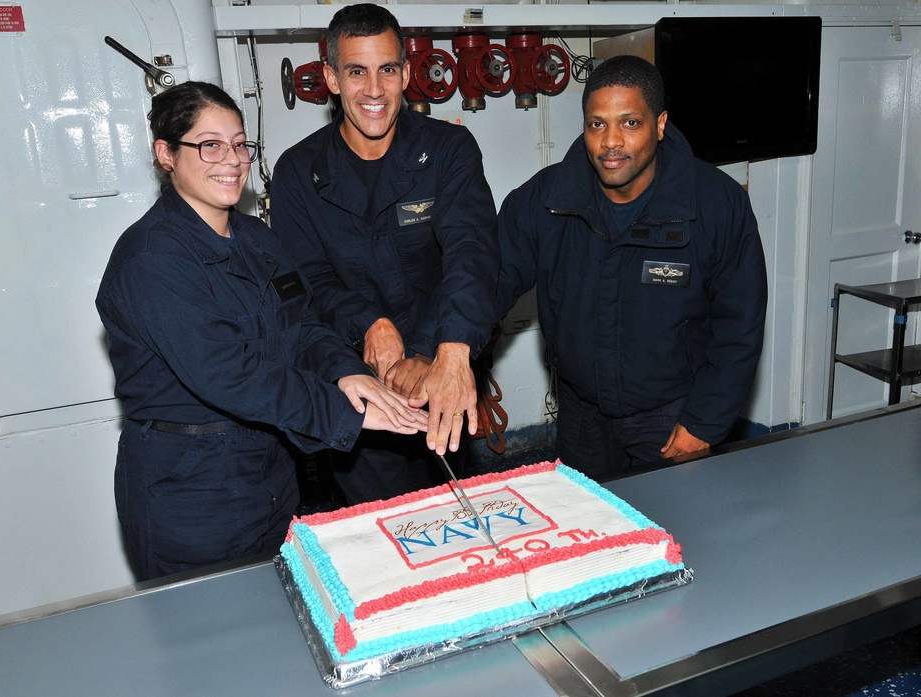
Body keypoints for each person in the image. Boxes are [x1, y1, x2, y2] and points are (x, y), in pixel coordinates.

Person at [95, 81, 427, 581]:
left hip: (268, 472)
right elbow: (232, 374)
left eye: (239, 144)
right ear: (166, 153)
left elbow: (302, 324)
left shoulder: (255, 238)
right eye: (209, 145)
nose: (230, 159)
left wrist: (345, 372)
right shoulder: (152, 260)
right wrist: (345, 415)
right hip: (191, 490)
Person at [496, 55, 768, 478]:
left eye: (630, 123)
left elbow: (740, 325)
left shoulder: (716, 205)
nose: (610, 142)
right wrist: (444, 350)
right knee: (591, 533)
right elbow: (486, 277)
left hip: (672, 413)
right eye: (597, 124)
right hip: (581, 414)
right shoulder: (546, 200)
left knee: (678, 534)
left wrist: (704, 421)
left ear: (659, 125)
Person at [270, 4, 500, 503]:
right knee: (382, 524)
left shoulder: (450, 151)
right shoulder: (296, 173)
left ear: (408, 73)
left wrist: (441, 352)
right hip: (358, 385)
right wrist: (368, 322)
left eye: (387, 70)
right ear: (331, 77)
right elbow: (304, 284)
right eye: (357, 71)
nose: (374, 90)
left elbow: (471, 254)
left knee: (453, 508)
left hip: (443, 365)